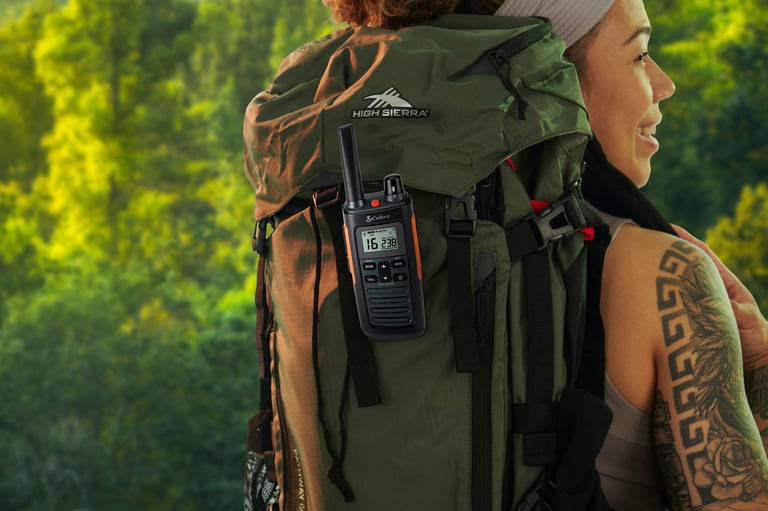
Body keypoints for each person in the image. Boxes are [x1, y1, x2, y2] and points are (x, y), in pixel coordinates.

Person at [323, 0, 768, 509]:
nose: (664, 84)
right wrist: (760, 359)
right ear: (553, 84)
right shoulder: (668, 278)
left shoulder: (342, 237)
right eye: (640, 55)